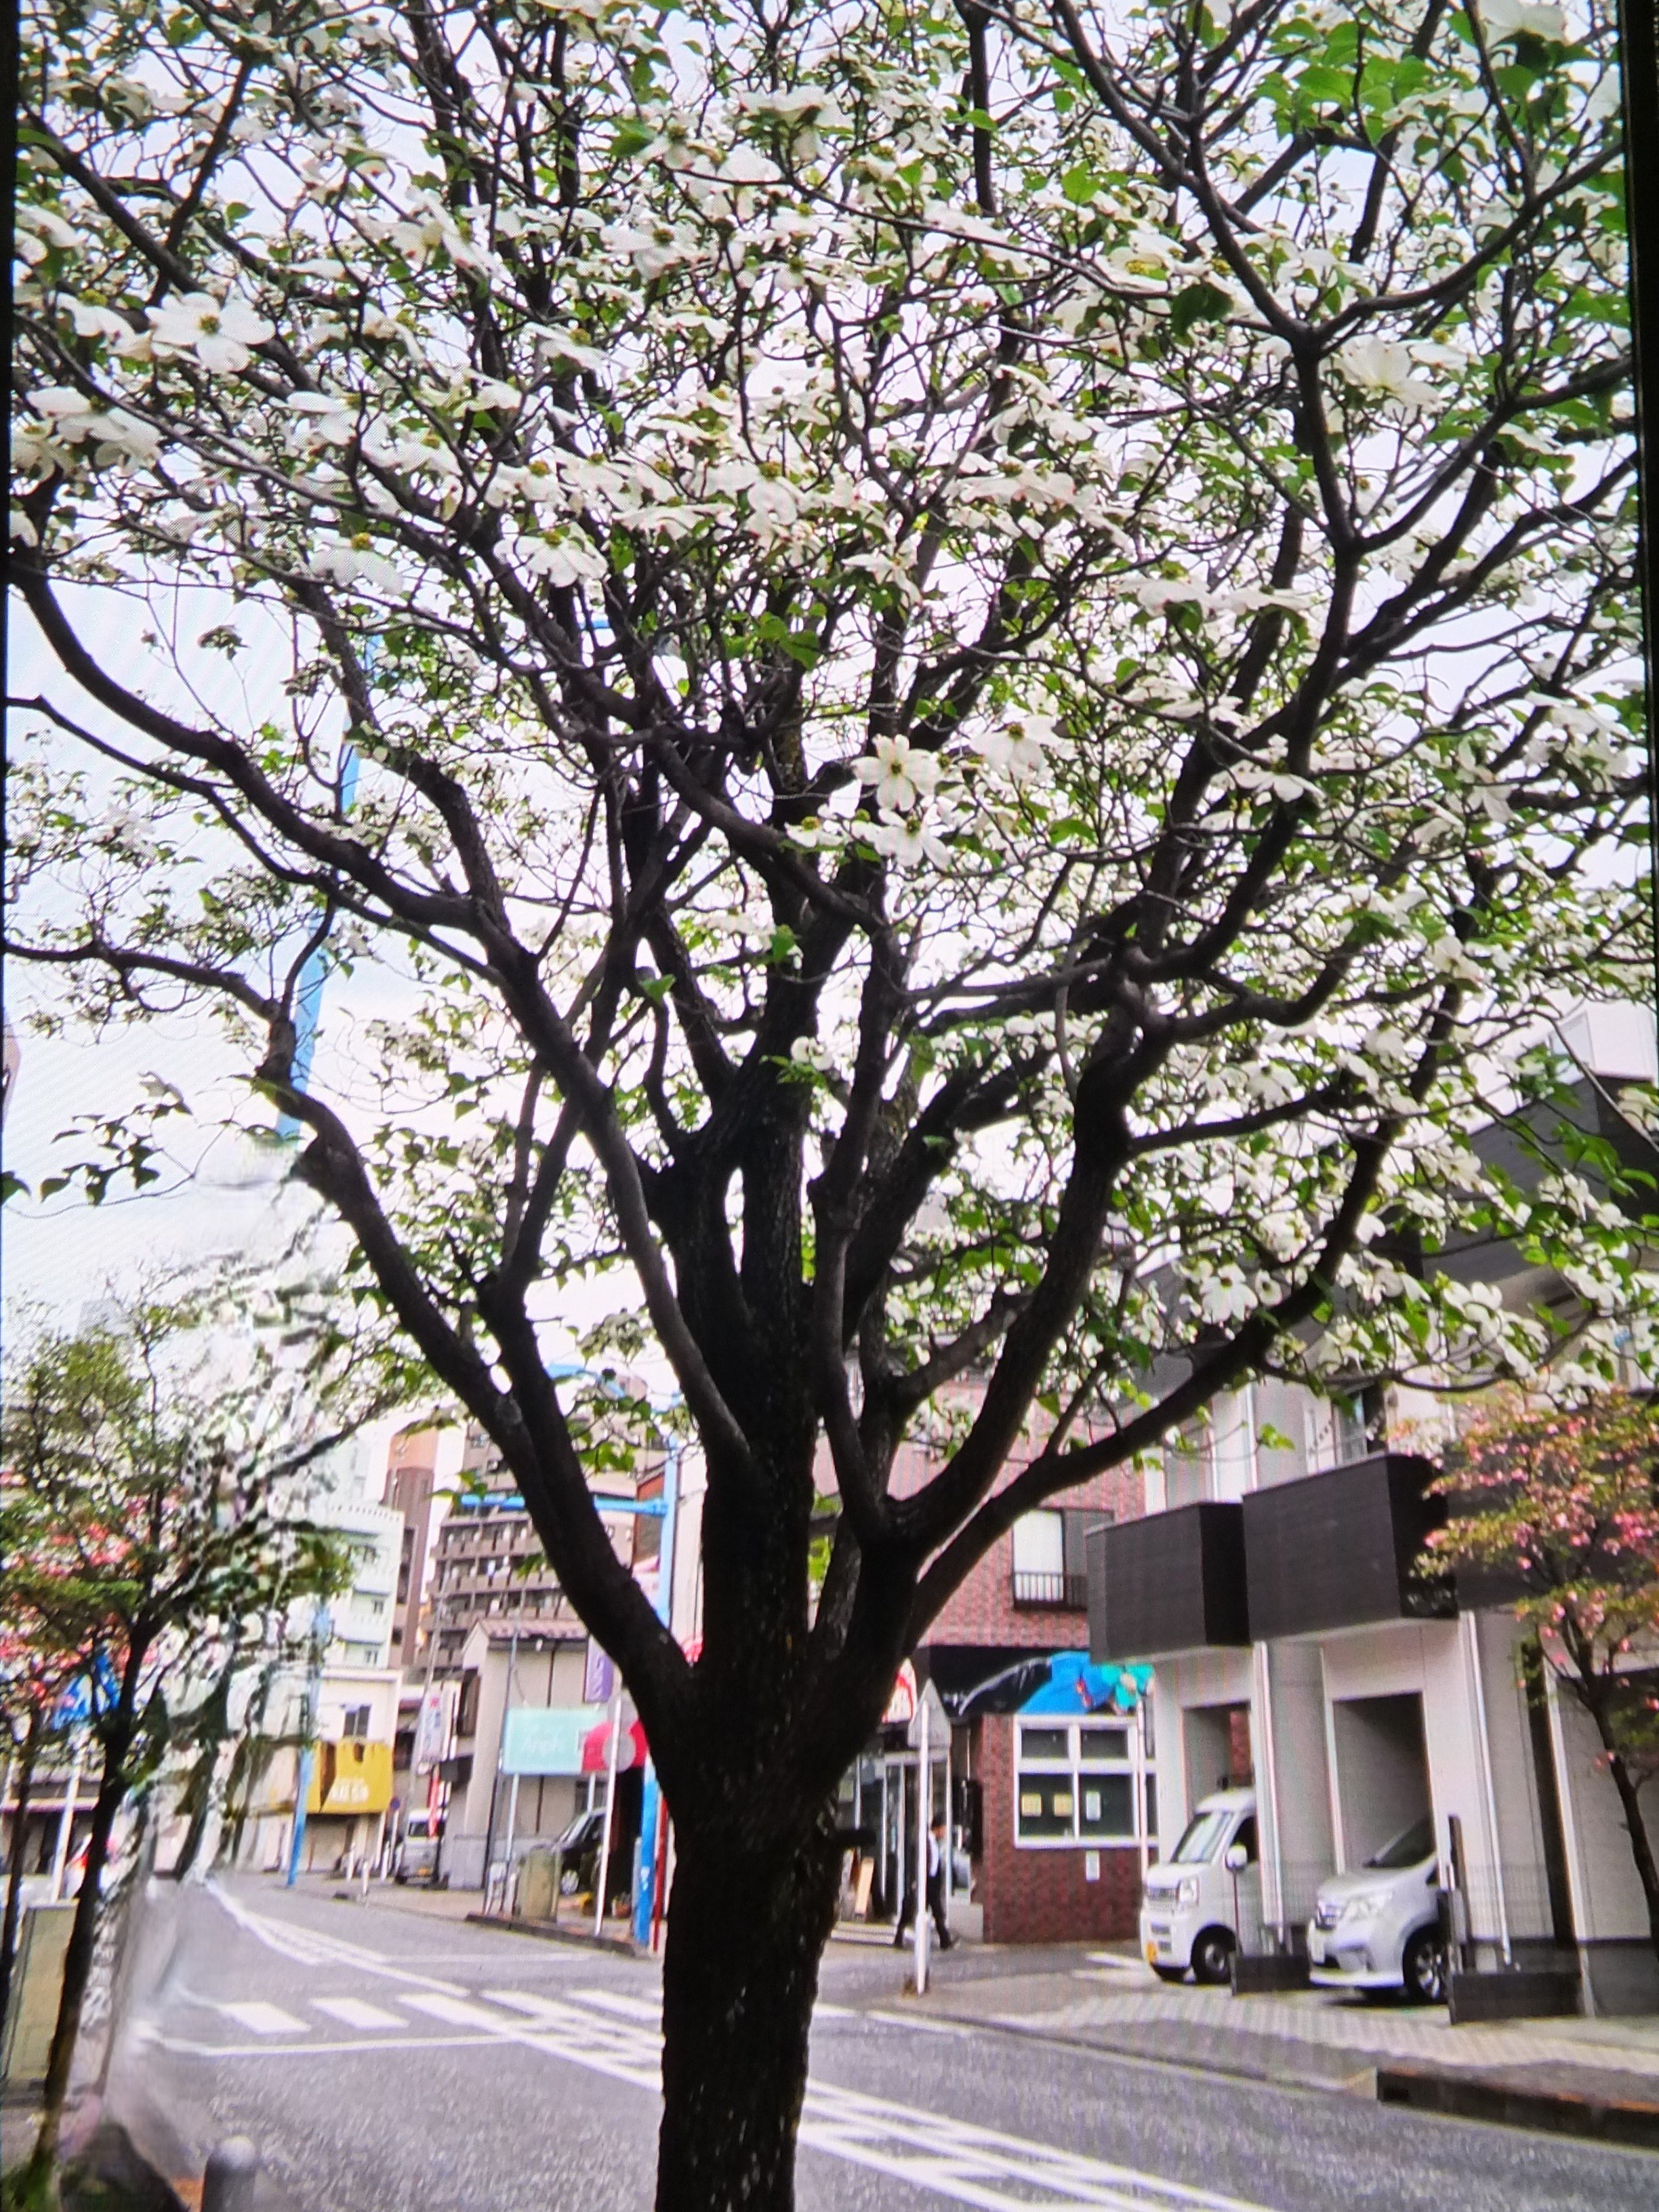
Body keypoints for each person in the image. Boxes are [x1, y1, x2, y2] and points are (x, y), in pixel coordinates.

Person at [892, 1816, 954, 1951]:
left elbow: (935, 1864)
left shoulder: (935, 1843)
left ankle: (945, 1941)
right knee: (909, 1909)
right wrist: (915, 1880)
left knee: (938, 1912)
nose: (944, 1833)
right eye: (943, 1830)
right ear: (937, 1828)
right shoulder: (924, 1841)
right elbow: (918, 1861)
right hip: (922, 1881)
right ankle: (899, 1937)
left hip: (932, 1883)